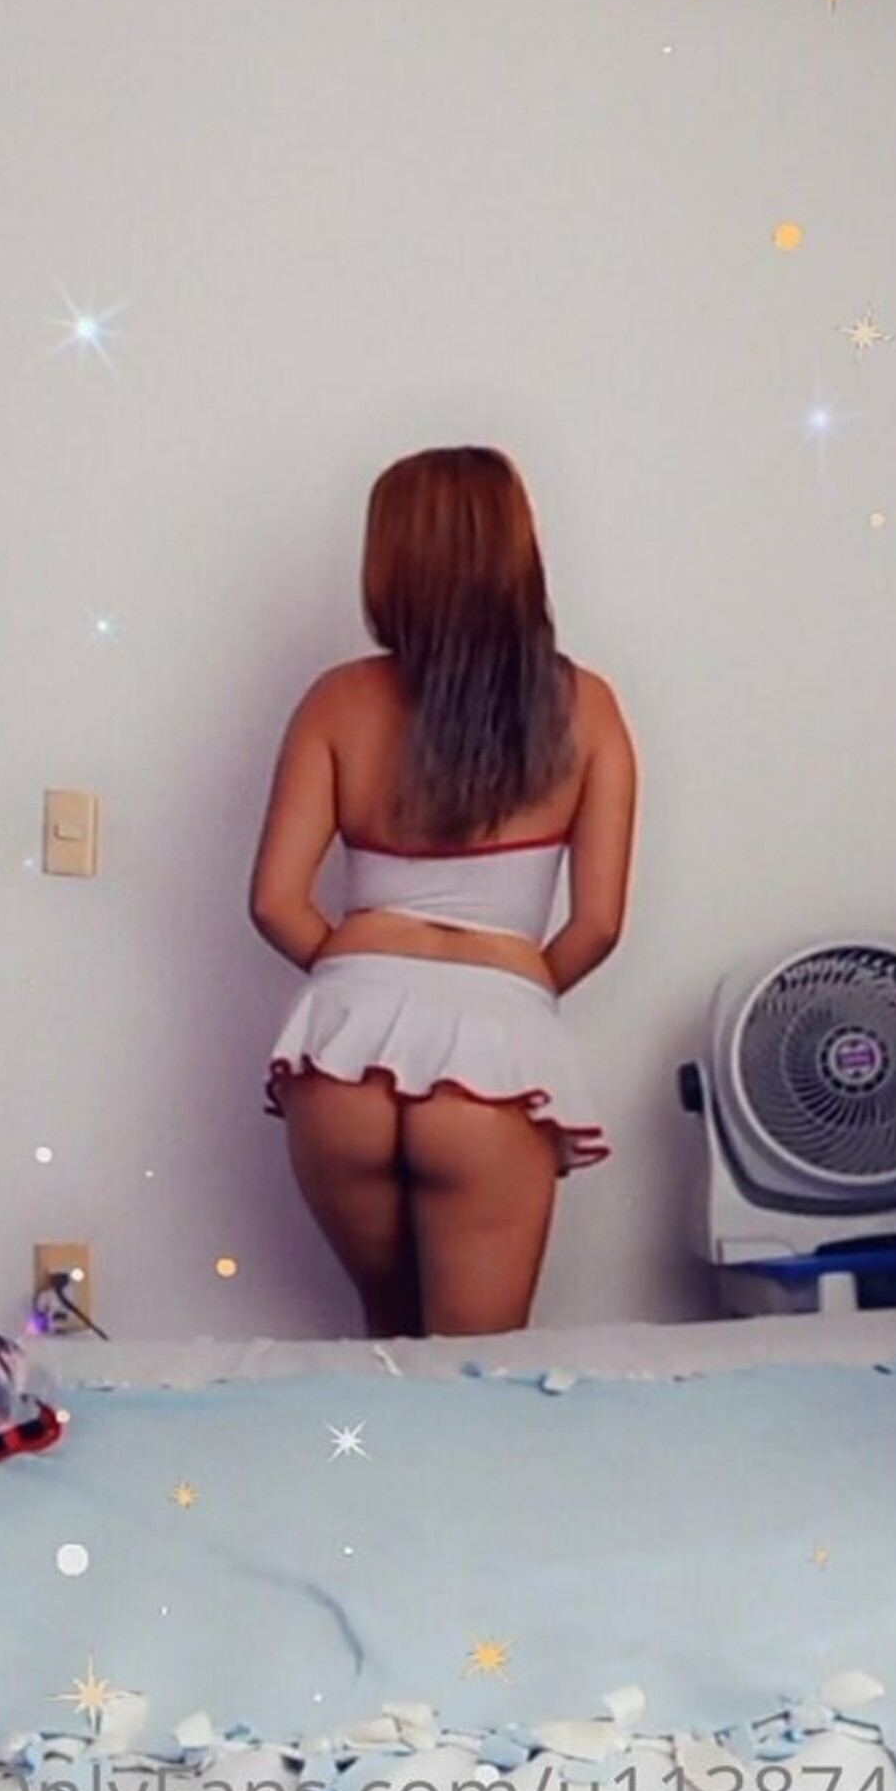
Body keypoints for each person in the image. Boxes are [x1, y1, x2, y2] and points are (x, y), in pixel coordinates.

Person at [248, 445, 637, 1339]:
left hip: (344, 1051)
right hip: (492, 1053)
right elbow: (599, 923)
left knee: (388, 1347)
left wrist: (365, 984)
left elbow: (274, 900)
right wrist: (503, 996)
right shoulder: (589, 707)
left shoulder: (337, 700)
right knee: (476, 1379)